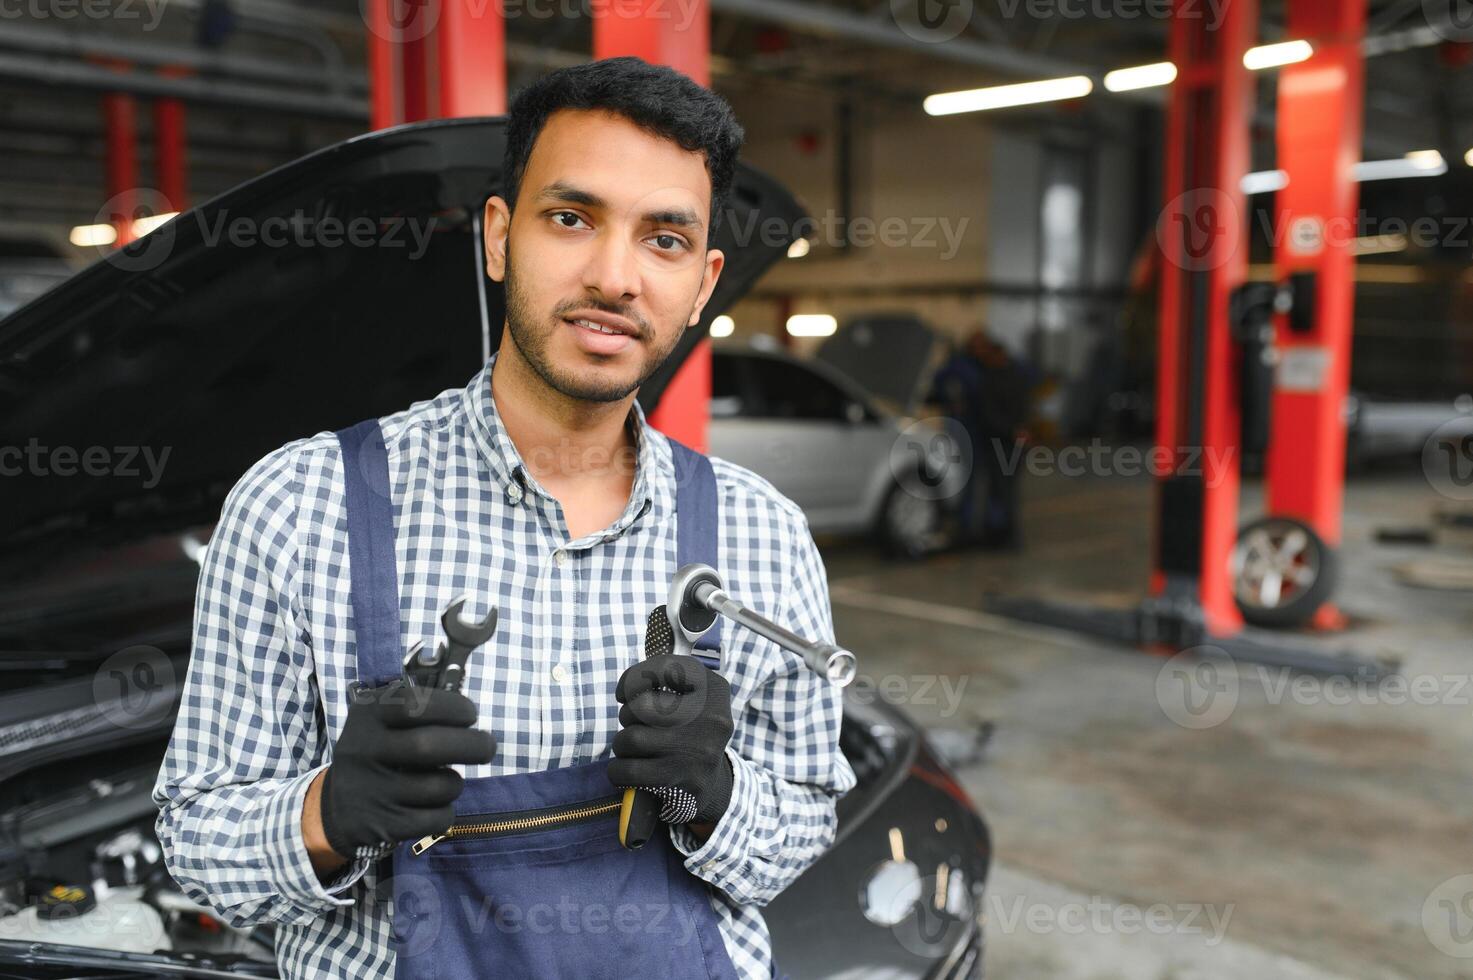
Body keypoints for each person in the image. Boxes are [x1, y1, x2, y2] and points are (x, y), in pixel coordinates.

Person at [152, 57, 854, 980]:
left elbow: (802, 822)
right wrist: (324, 812)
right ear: (497, 237)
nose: (615, 276)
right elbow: (198, 842)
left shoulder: (762, 535)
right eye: (571, 218)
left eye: (664, 241)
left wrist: (717, 796)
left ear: (701, 284)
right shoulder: (300, 505)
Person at [929, 328, 1031, 549]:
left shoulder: (998, 374)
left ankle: (997, 532)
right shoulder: (965, 370)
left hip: (995, 441)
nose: (982, 351)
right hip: (975, 439)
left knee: (1001, 491)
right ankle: (973, 531)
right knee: (971, 487)